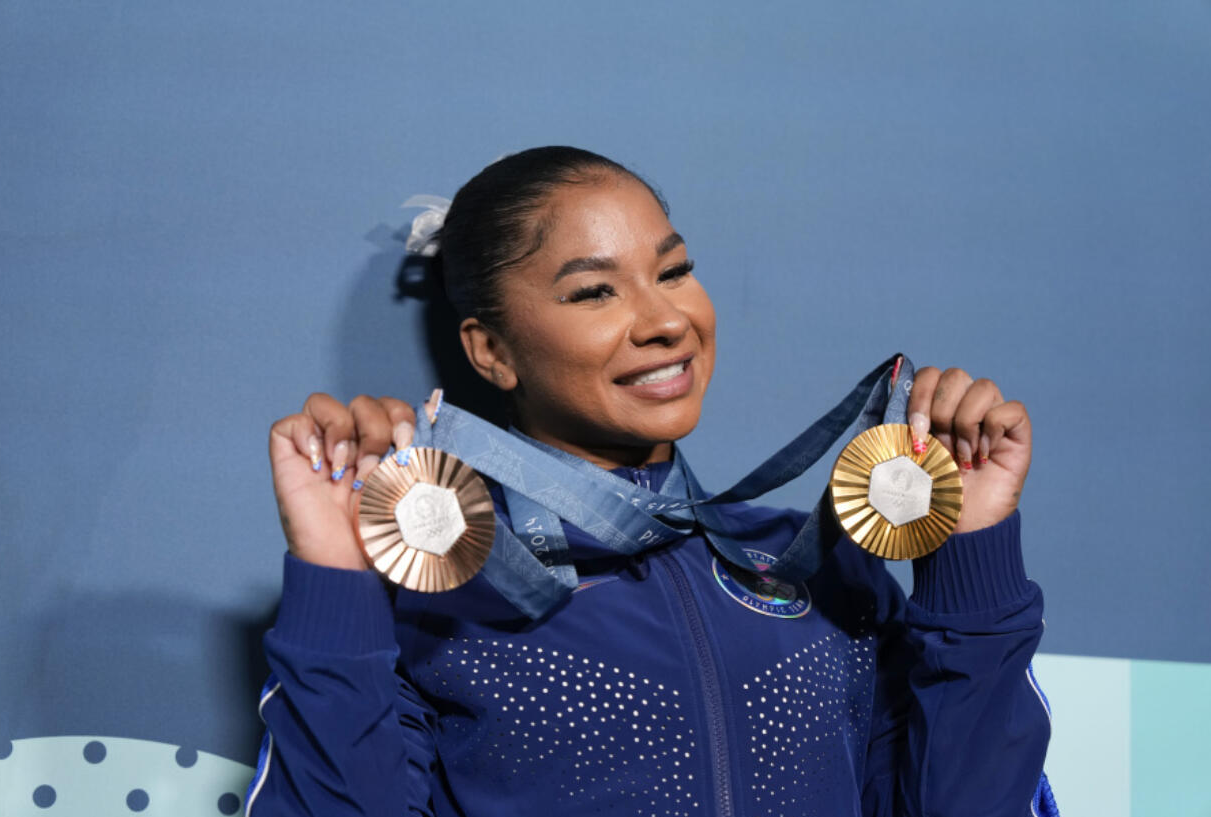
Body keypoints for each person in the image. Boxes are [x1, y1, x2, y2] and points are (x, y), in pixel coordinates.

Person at [247, 147, 1055, 816]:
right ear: (489, 350)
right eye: (594, 290)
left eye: (673, 271)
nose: (666, 320)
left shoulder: (819, 566)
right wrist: (336, 577)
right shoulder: (438, 589)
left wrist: (969, 556)